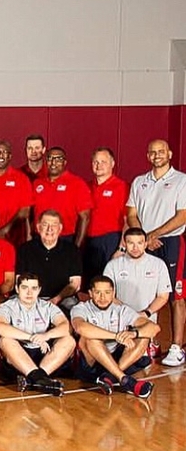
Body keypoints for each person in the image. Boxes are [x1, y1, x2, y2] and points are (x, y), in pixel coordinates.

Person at [126, 138, 186, 367]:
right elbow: (131, 214)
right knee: (147, 294)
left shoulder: (181, 180)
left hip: (171, 242)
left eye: (161, 151)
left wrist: (154, 235)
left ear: (169, 154)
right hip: (145, 243)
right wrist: (144, 238)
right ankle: (150, 342)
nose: (157, 155)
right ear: (147, 156)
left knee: (175, 296)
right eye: (152, 152)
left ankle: (177, 347)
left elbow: (182, 216)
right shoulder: (139, 182)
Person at [70, 275, 156, 398]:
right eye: (98, 293)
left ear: (113, 293)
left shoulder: (122, 310)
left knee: (144, 336)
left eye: (107, 292)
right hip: (92, 363)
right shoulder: (80, 308)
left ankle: (110, 376)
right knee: (89, 338)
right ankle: (124, 379)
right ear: (90, 293)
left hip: (118, 359)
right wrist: (116, 336)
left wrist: (134, 333)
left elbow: (154, 328)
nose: (103, 297)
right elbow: (80, 327)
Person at [0, 272, 76, 396]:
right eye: (24, 288)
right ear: (17, 289)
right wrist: (31, 337)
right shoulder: (7, 307)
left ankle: (36, 379)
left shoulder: (47, 306)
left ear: (39, 290)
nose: (29, 292)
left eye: (34, 288)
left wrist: (46, 336)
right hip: (19, 356)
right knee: (5, 340)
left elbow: (65, 326)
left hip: (44, 356)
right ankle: (40, 379)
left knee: (69, 340)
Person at [103, 227, 171, 346]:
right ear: (125, 243)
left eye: (139, 243)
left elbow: (163, 296)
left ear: (145, 244)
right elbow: (108, 295)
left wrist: (146, 313)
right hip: (119, 320)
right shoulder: (112, 265)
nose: (135, 248)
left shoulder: (158, 264)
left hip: (146, 320)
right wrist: (127, 313)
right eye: (131, 243)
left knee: (140, 347)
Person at [15, 210, 81, 310]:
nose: (50, 229)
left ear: (60, 228)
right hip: (31, 298)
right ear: (38, 227)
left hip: (62, 299)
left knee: (74, 307)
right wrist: (33, 301)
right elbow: (19, 280)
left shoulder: (72, 250)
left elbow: (75, 284)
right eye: (45, 225)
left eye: (54, 225)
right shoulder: (25, 249)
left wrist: (56, 299)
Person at [84, 147, 129, 283]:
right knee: (90, 283)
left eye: (103, 162)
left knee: (109, 282)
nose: (99, 165)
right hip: (88, 242)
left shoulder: (122, 187)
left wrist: (122, 248)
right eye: (95, 162)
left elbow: (128, 220)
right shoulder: (86, 187)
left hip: (111, 241)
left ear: (112, 163)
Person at [32, 147, 92, 247]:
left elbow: (85, 217)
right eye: (50, 158)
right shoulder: (37, 183)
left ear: (64, 162)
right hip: (40, 237)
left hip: (65, 238)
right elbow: (31, 215)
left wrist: (76, 246)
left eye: (58, 159)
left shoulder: (77, 184)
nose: (53, 162)